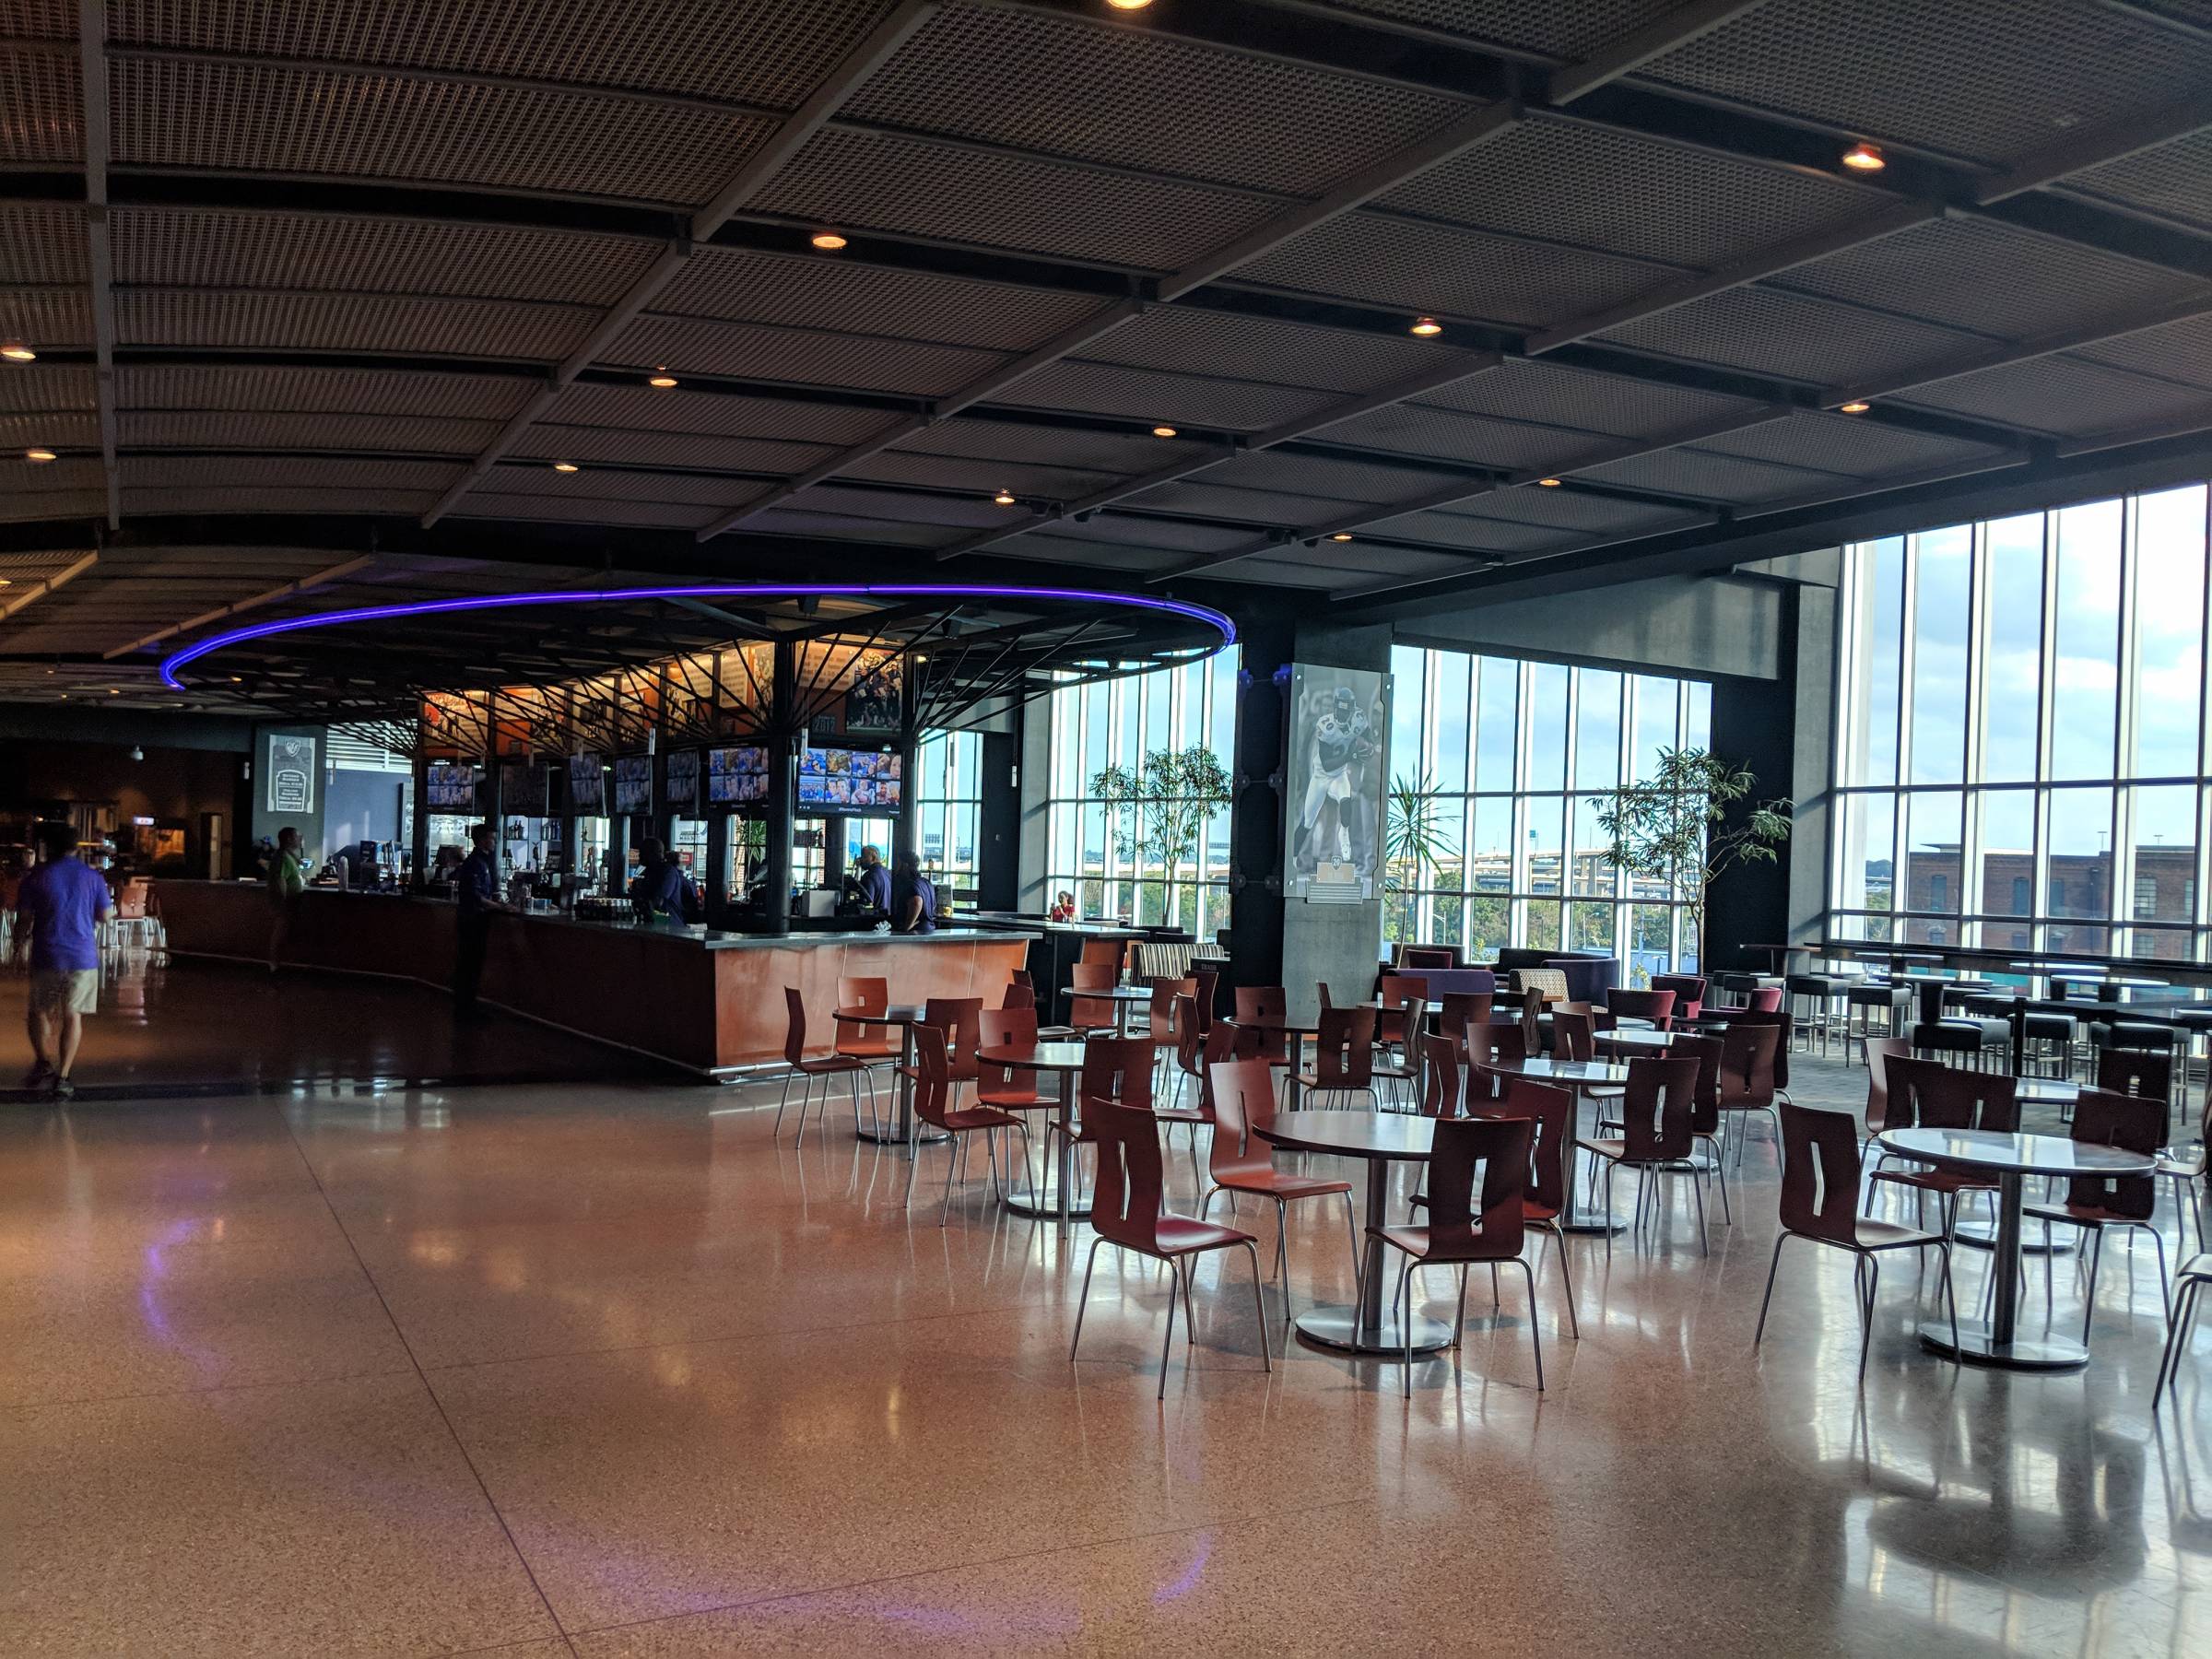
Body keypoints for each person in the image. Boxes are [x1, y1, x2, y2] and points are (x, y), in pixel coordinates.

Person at [12, 820, 114, 1100]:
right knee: (73, 1015)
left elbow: (23, 919)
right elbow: (105, 916)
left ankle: (43, 1061)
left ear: (48, 846)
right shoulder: (93, 878)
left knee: (39, 1011)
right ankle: (64, 1076)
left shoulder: (36, 878)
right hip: (82, 956)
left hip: (47, 954)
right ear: (75, 847)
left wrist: (16, 946)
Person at [453, 824, 506, 1014]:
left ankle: (466, 1004)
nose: (494, 842)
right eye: (492, 838)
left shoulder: (480, 861)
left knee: (469, 964)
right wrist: (500, 907)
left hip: (471, 919)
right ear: (483, 840)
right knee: (470, 965)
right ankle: (466, 1007)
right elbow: (476, 896)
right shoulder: (476, 863)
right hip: (473, 920)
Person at [265, 825, 309, 971]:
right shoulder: (283, 858)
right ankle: (274, 966)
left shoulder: (287, 855)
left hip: (290, 904)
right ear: (289, 839)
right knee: (280, 934)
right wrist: (282, 904)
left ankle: (280, 964)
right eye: (297, 837)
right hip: (285, 904)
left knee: (285, 934)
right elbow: (280, 881)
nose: (299, 840)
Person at [629, 838, 700, 923]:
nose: (640, 856)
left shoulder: (667, 872)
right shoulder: (652, 872)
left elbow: (658, 902)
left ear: (654, 853)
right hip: (660, 925)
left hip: (669, 926)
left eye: (643, 852)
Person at [889, 850, 936, 935]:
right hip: (929, 930)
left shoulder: (910, 884)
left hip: (914, 934)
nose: (895, 867)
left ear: (905, 865)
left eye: (898, 864)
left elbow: (916, 902)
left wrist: (907, 926)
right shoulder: (927, 883)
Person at [855, 844, 892, 916]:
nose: (861, 859)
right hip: (887, 919)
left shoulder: (869, 876)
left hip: (873, 919)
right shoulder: (887, 873)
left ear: (874, 857)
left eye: (864, 857)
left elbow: (867, 902)